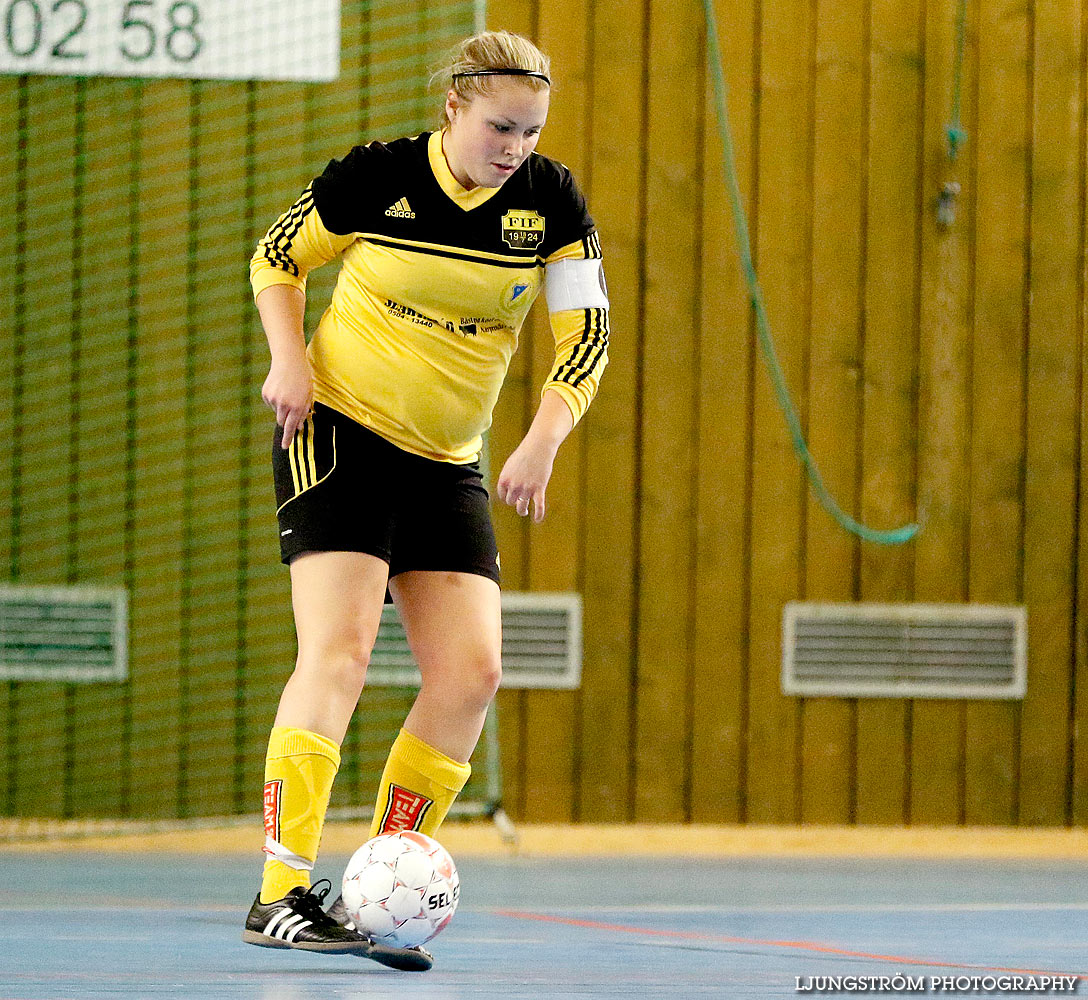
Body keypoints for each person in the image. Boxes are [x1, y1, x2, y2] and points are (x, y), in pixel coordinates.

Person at [241, 29, 609, 971]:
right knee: (343, 649)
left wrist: (542, 436)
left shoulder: (551, 200)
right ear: (454, 105)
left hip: (448, 459)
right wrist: (290, 359)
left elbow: (589, 333)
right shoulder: (378, 176)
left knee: (471, 675)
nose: (514, 148)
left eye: (530, 132)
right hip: (342, 432)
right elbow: (275, 258)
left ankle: (384, 870)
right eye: (498, 127)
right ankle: (281, 889)